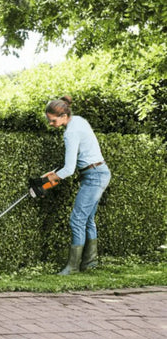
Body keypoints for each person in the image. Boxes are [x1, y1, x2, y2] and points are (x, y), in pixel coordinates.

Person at [44, 96, 111, 275]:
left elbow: (69, 169)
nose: (50, 124)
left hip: (94, 176)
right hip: (99, 172)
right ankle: (89, 263)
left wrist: (48, 180)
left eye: (53, 120)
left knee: (77, 220)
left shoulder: (70, 133)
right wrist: (53, 174)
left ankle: (73, 267)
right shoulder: (79, 121)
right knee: (88, 220)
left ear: (64, 115)